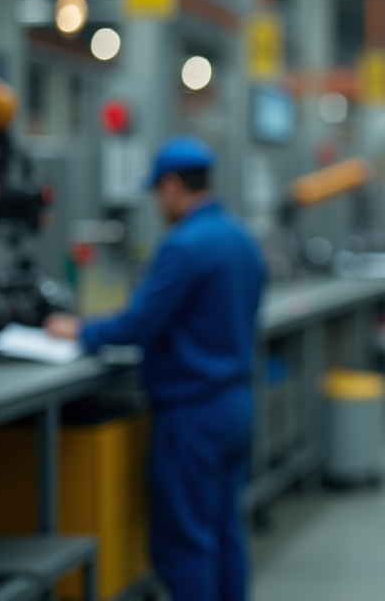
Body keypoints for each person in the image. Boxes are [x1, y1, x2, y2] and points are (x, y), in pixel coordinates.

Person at [45, 135, 266, 601]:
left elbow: (139, 322)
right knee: (224, 529)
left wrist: (79, 331)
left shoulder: (184, 245)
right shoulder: (241, 238)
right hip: (236, 405)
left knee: (184, 544)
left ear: (170, 186)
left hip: (192, 414)